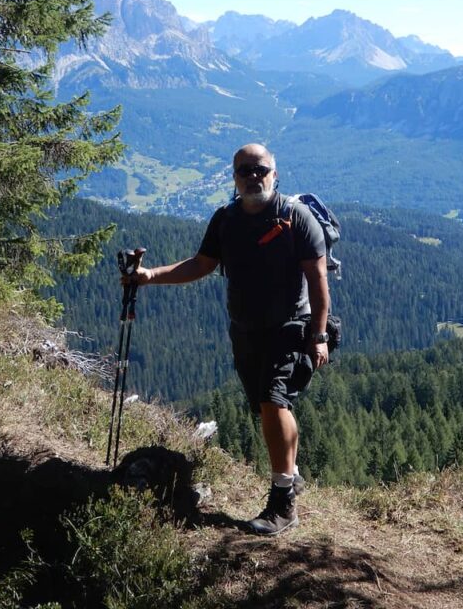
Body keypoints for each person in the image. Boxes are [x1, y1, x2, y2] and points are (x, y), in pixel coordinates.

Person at [125, 143, 330, 535]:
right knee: (268, 408)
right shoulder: (226, 220)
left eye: (260, 169)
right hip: (245, 331)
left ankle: (283, 502)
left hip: (291, 327)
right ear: (234, 178)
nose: (253, 176)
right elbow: (201, 264)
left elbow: (318, 279)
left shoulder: (296, 217)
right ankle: (292, 474)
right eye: (244, 171)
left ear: (275, 173)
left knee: (274, 401)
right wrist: (151, 276)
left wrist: (318, 335)